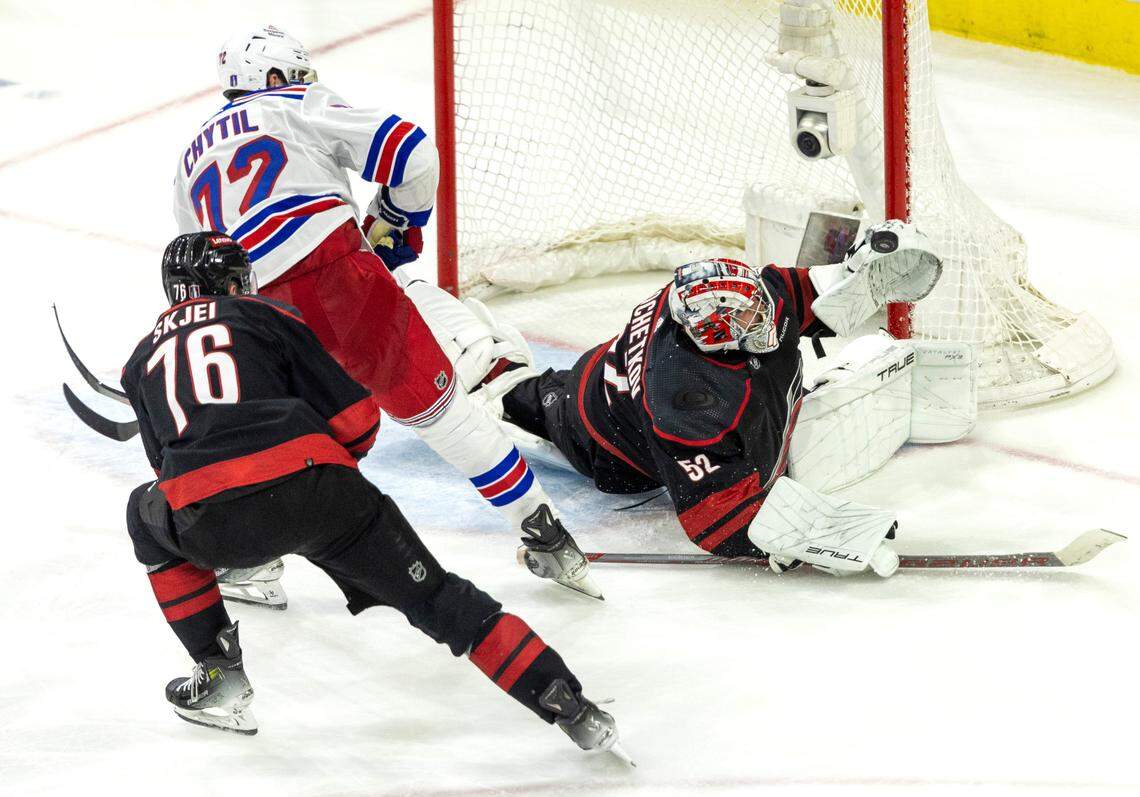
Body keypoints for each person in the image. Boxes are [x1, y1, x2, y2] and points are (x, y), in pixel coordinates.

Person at [120, 232, 625, 759]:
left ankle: (217, 671)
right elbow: (358, 425)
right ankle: (571, 706)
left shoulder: (139, 360)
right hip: (328, 496)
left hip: (215, 522)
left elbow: (167, 470)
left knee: (144, 513)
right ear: (229, 282)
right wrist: (312, 482)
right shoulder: (270, 316)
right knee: (441, 602)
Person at [170, 24, 599, 598]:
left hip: (252, 310)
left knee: (284, 444)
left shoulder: (186, 162)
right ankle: (544, 534)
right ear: (273, 79)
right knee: (442, 414)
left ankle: (254, 562)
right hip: (336, 272)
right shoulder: (294, 104)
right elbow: (412, 150)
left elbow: (202, 268)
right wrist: (399, 218)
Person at [433, 221, 974, 576]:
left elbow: (795, 295)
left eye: (758, 308)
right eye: (749, 321)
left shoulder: (724, 300)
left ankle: (509, 381)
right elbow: (714, 521)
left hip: (605, 379)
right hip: (604, 444)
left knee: (770, 382)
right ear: (716, 336)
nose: (765, 319)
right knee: (519, 397)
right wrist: (805, 537)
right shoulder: (688, 403)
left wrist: (854, 271)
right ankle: (495, 379)